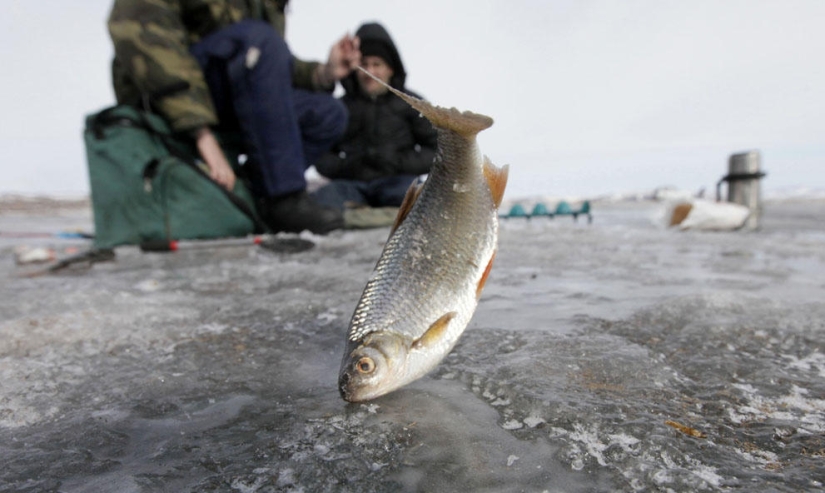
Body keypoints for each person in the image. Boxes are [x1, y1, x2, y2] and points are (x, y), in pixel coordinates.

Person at [107, 0, 360, 234]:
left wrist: (324, 73)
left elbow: (267, 63)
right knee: (260, 38)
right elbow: (137, 29)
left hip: (229, 93)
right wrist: (201, 132)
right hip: (164, 94)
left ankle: (253, 197)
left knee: (328, 114)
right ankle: (284, 198)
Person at [312, 22, 437, 212]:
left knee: (419, 203)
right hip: (351, 186)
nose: (370, 72)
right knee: (320, 203)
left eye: (377, 64)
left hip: (398, 183)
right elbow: (320, 153)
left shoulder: (413, 104)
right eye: (364, 64)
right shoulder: (340, 108)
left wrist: (398, 162)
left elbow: (437, 149)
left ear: (391, 68)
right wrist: (347, 166)